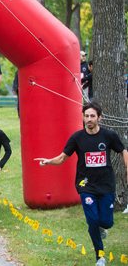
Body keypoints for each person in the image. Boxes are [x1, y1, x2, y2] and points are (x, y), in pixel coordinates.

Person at [35, 102, 128, 266]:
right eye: (86, 116)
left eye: (92, 116)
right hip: (86, 185)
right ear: (83, 117)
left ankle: (101, 227)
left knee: (107, 222)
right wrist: (49, 161)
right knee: (92, 220)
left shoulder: (109, 136)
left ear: (100, 117)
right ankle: (100, 257)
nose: (89, 119)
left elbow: (123, 151)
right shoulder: (77, 138)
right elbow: (63, 157)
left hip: (106, 185)